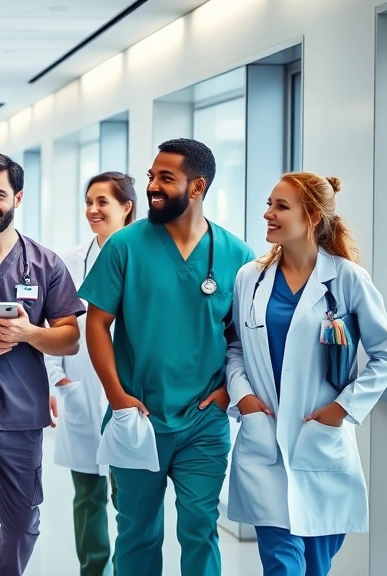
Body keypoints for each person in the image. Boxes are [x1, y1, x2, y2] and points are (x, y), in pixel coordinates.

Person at [78, 138, 255, 576]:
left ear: (197, 187)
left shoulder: (238, 256)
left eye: (165, 178)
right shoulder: (126, 245)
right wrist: (116, 396)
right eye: (152, 176)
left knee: (200, 527)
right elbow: (96, 324)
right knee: (138, 530)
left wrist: (226, 395)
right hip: (137, 414)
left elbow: (242, 338)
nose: (152, 186)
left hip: (203, 419)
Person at [225, 173, 387, 576]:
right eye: (269, 203)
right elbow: (234, 348)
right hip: (264, 439)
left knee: (315, 567)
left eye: (280, 207)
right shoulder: (249, 279)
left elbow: (386, 353)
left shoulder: (347, 278)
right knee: (282, 565)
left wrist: (343, 408)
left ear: (312, 217)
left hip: (318, 440)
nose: (267, 214)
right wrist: (244, 398)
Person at [0, 153, 84, 576]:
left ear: (18, 197)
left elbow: (70, 338)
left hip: (23, 410)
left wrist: (28, 334)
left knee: (23, 522)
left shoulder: (45, 263)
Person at [45, 171, 136, 576]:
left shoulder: (143, 255)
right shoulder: (69, 260)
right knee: (86, 495)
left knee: (129, 498)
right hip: (81, 388)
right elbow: (53, 323)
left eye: (103, 202)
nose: (93, 210)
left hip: (129, 391)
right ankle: (92, 570)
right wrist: (56, 378)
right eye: (89, 202)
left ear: (127, 207)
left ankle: (126, 569)